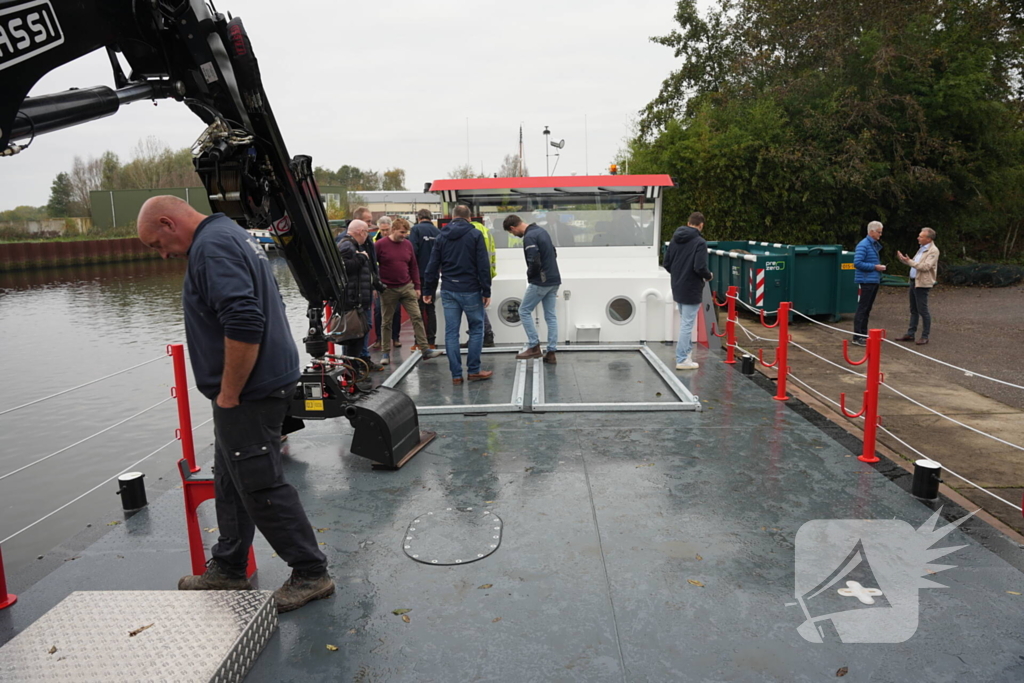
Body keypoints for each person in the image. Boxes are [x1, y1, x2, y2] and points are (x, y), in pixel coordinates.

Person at [136, 195, 334, 613]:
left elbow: (244, 320)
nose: (166, 254)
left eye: (158, 244)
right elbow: (270, 303)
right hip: (257, 383)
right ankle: (228, 566)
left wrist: (229, 392)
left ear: (169, 223)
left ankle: (311, 572)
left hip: (248, 390)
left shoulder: (211, 247)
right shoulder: (231, 234)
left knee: (261, 483)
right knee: (230, 477)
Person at [423, 204, 494, 384]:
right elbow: (483, 265)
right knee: (477, 329)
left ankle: (456, 375)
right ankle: (473, 370)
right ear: (469, 218)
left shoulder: (441, 236)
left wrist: (428, 290)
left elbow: (432, 265)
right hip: (470, 289)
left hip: (448, 289)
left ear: (452, 217)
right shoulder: (475, 234)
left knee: (451, 333)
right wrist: (486, 290)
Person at [376, 218, 442, 365]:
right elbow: (373, 266)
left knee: (417, 316)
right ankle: (385, 353)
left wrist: (417, 286)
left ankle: (425, 349)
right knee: (387, 321)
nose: (404, 235)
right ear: (393, 230)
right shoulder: (380, 245)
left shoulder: (408, 245)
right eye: (401, 232)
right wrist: (377, 285)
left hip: (406, 286)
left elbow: (413, 266)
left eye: (406, 233)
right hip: (388, 288)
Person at [502, 214, 561, 363]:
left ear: (513, 227)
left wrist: (530, 275)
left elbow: (533, 261)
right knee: (550, 316)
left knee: (523, 310)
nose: (514, 235)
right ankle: (551, 352)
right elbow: (553, 252)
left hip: (541, 281)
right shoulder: (542, 231)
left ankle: (534, 346)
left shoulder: (529, 237)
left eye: (511, 232)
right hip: (554, 279)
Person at [662, 211, 713, 370]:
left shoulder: (674, 239)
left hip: (677, 285)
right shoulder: (700, 242)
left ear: (688, 222)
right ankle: (682, 359)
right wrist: (708, 276)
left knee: (685, 321)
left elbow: (667, 263)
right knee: (687, 324)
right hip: (691, 287)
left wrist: (679, 274)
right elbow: (699, 267)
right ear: (701, 225)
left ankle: (687, 355)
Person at [895, 228, 940, 345]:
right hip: (913, 281)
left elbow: (925, 267)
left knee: (923, 310)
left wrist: (909, 261)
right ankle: (910, 334)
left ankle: (925, 336)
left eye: (921, 236)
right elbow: (915, 264)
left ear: (928, 239)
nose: (918, 238)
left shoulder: (933, 251)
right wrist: (904, 260)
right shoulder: (921, 249)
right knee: (913, 309)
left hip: (922, 284)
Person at [409, 209, 440, 348]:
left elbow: (412, 251)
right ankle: (432, 341)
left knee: (418, 309)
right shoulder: (438, 232)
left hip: (419, 274)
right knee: (430, 307)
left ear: (419, 217)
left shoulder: (415, 230)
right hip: (433, 274)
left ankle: (419, 342)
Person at [853, 221, 886, 346]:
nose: (880, 234)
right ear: (871, 231)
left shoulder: (872, 245)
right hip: (866, 280)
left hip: (872, 280)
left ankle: (863, 334)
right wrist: (875, 267)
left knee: (867, 309)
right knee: (863, 308)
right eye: (879, 232)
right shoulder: (864, 245)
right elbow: (857, 263)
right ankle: (857, 336)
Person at [370, 216, 402, 348]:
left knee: (396, 310)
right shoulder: (373, 242)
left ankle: (395, 338)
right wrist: (373, 286)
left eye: (387, 230)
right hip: (379, 281)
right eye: (382, 230)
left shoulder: (397, 242)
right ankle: (379, 339)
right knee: (378, 310)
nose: (384, 232)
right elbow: (371, 265)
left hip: (395, 281)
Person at [470, 216, 498, 348]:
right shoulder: (487, 232)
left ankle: (486, 334)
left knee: (475, 307)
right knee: (477, 306)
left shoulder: (471, 231)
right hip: (485, 274)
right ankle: (486, 334)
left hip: (472, 276)